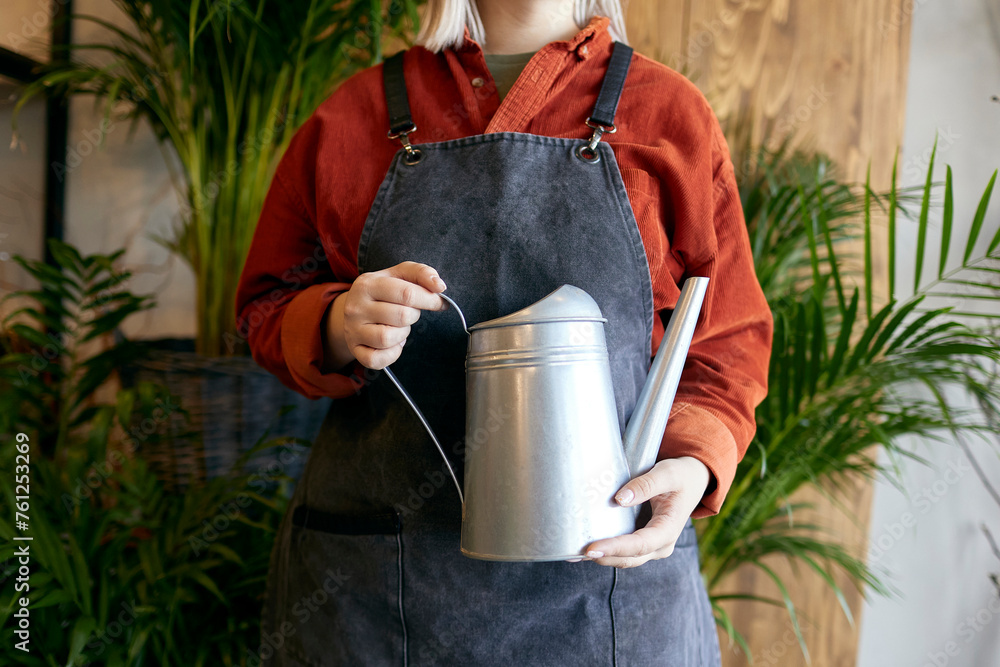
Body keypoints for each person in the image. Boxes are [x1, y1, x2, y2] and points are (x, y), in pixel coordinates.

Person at [235, 0, 772, 664]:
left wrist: (694, 463)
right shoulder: (351, 117)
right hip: (382, 603)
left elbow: (726, 340)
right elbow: (265, 305)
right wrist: (337, 321)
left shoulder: (670, 115)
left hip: (605, 605)